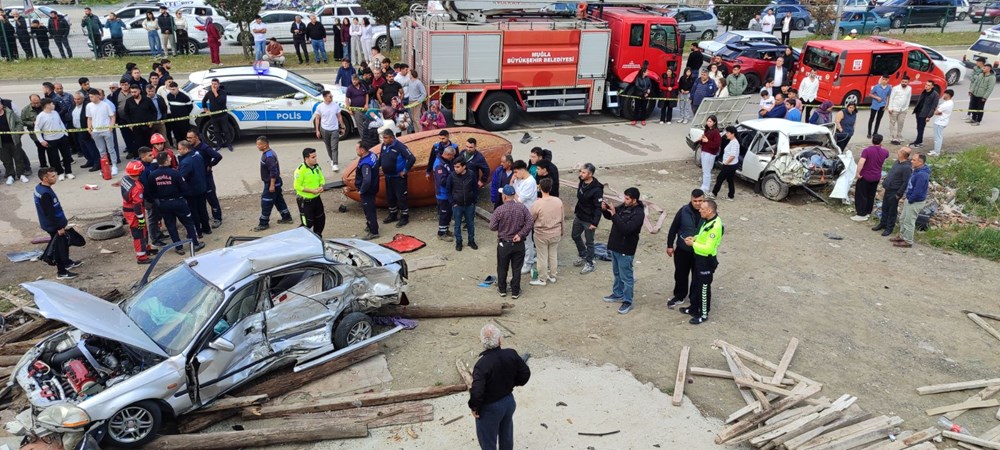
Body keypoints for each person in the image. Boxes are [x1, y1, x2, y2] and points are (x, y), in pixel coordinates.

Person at [469, 323, 531, 450]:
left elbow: (477, 391)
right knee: (506, 433)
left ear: (481, 341)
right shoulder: (511, 354)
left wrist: (474, 407)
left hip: (490, 408)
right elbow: (525, 373)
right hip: (508, 402)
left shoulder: (482, 365)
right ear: (499, 340)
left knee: (488, 441)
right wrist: (513, 383)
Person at [147, 151, 204, 254]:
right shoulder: (175, 173)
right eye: (169, 158)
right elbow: (184, 188)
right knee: (189, 223)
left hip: (163, 204)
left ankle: (178, 247)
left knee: (171, 226)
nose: (170, 160)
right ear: (165, 161)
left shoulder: (152, 175)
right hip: (178, 202)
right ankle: (195, 244)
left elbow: (151, 192)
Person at [600, 187, 645, 314]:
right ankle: (617, 293)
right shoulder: (625, 206)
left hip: (626, 248)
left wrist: (614, 214)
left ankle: (628, 301)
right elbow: (611, 216)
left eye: (627, 198)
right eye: (624, 198)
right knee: (617, 273)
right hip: (615, 246)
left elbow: (626, 229)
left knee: (626, 277)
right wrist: (605, 210)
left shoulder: (639, 214)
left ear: (634, 200)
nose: (624, 200)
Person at [34, 168, 81, 279]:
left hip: (52, 224)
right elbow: (49, 213)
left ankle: (67, 262)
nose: (55, 178)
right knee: (59, 247)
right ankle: (62, 272)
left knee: (63, 243)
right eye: (52, 176)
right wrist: (59, 227)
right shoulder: (45, 193)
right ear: (45, 178)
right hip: (54, 226)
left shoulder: (40, 188)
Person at [682, 199, 723, 324]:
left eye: (702, 209)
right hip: (699, 258)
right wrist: (695, 238)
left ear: (709, 211)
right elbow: (702, 235)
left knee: (704, 288)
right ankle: (694, 307)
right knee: (696, 284)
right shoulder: (708, 220)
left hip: (706, 260)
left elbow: (709, 248)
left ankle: (703, 314)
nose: (699, 210)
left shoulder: (715, 226)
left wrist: (693, 244)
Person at [490, 185, 533, 299]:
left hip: (504, 243)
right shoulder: (522, 208)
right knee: (517, 268)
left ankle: (502, 289)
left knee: (502, 267)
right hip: (518, 243)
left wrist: (501, 226)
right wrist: (520, 234)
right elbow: (530, 222)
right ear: (514, 195)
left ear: (504, 196)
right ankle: (515, 291)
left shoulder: (499, 210)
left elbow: (492, 227)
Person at [665, 190, 705, 310]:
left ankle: (694, 299)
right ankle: (679, 296)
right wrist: (670, 245)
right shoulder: (683, 211)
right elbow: (674, 228)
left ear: (704, 200)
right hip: (683, 250)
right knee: (680, 274)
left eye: (700, 201)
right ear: (691, 199)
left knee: (697, 277)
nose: (698, 203)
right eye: (695, 201)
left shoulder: (708, 212)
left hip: (700, 251)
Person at [525, 178, 563, 287]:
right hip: (556, 232)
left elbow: (531, 218)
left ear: (540, 188)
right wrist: (561, 231)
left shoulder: (537, 203)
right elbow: (562, 218)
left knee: (542, 256)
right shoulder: (558, 201)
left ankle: (542, 278)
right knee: (553, 254)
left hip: (541, 233)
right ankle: (553, 275)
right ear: (550, 188)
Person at [120, 160, 158, 264]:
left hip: (129, 210)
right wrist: (140, 218)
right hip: (135, 214)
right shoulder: (137, 187)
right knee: (139, 234)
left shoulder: (125, 179)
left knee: (143, 230)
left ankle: (145, 248)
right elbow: (137, 204)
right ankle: (141, 257)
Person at [254, 136, 294, 231]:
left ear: (265, 145)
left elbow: (273, 171)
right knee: (278, 200)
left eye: (259, 144)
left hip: (272, 183)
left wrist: (272, 185)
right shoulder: (269, 153)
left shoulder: (269, 156)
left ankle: (263, 223)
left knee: (266, 202)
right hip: (276, 182)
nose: (257, 146)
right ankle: (286, 217)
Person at [892, 153, 929, 248]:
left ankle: (908, 241)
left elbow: (918, 191)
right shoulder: (916, 171)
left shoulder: (922, 175)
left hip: (915, 201)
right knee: (903, 218)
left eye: (914, 160)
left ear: (920, 162)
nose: (911, 161)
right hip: (910, 199)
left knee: (909, 221)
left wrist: (911, 199)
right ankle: (902, 236)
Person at [873, 147, 912, 237]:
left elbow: (906, 182)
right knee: (885, 207)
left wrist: (899, 193)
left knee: (892, 210)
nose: (897, 151)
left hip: (895, 191)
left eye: (899, 150)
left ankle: (889, 227)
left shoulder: (906, 167)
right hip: (888, 189)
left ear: (903, 153)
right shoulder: (897, 162)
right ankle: (883, 223)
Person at [380, 129, 416, 227]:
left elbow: (412, 158)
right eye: (383, 138)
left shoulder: (400, 147)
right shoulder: (384, 146)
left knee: (401, 197)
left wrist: (405, 170)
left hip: (398, 178)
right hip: (388, 177)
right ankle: (393, 214)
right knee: (390, 197)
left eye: (386, 138)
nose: (384, 140)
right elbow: (381, 158)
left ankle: (404, 217)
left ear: (392, 137)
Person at [572, 163, 603, 275]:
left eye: (583, 172)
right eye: (581, 172)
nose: (581, 174)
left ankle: (590, 263)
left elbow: (598, 208)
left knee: (589, 241)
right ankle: (583, 254)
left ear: (590, 174)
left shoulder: (597, 189)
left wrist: (594, 223)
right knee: (575, 235)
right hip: (579, 215)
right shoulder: (582, 181)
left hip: (589, 219)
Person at [176, 140, 211, 238]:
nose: (178, 151)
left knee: (193, 211)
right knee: (202, 209)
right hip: (202, 187)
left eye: (180, 149)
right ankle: (207, 228)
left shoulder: (186, 162)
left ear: (186, 149)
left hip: (191, 191)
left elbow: (181, 178)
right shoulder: (197, 155)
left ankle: (198, 232)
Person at [851, 134, 889, 222]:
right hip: (876, 176)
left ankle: (861, 214)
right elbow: (885, 156)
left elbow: (861, 162)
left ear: (872, 140)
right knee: (871, 195)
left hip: (866, 176)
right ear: (881, 141)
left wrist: (858, 173)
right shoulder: (885, 152)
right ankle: (868, 211)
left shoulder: (867, 151)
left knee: (861, 194)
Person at [290, 147, 326, 236]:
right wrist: (311, 191)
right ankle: (296, 238)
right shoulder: (300, 170)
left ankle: (317, 237)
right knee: (308, 223)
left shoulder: (317, 167)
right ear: (306, 158)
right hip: (305, 201)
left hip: (316, 199)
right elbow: (297, 186)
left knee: (320, 219)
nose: (315, 159)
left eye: (316, 156)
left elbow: (322, 179)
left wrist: (321, 186)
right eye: (313, 157)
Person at [510, 160, 538, 276]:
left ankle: (529, 262)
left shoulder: (530, 182)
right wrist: (512, 183)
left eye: (516, 172)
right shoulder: (518, 179)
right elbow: (514, 191)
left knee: (527, 240)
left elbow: (520, 199)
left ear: (522, 170)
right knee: (523, 239)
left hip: (527, 214)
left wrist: (512, 193)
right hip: (519, 213)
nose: (515, 175)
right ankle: (526, 257)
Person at [36, 99, 73, 180]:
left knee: (67, 155)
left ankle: (68, 172)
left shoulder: (55, 113)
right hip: (50, 140)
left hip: (61, 137)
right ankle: (60, 172)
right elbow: (37, 129)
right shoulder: (41, 116)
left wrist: (65, 133)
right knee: (54, 158)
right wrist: (41, 140)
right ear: (47, 105)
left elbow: (60, 123)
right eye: (52, 104)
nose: (54, 105)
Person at [448, 158, 479, 251]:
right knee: (457, 225)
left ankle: (471, 241)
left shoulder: (471, 174)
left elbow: (475, 188)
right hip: (457, 205)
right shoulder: (452, 176)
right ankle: (459, 242)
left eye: (458, 167)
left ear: (464, 166)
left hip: (469, 205)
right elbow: (448, 191)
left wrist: (474, 201)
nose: (455, 169)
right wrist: (453, 203)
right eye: (454, 166)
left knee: (470, 224)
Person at [353, 142, 380, 240]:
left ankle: (373, 231)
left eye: (357, 149)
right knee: (370, 208)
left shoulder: (365, 164)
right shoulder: (372, 154)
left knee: (369, 210)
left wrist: (362, 190)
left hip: (368, 190)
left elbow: (367, 179)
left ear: (362, 150)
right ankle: (370, 225)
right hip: (374, 186)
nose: (356, 151)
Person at [313, 90, 344, 172]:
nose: (331, 98)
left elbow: (339, 116)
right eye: (330, 96)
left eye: (332, 96)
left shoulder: (336, 106)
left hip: (334, 129)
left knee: (334, 147)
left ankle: (335, 164)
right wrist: (317, 130)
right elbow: (317, 118)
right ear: (325, 97)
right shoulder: (320, 107)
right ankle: (332, 159)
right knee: (328, 146)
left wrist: (342, 126)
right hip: (324, 129)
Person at [124, 83, 157, 159]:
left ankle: (150, 156)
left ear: (139, 91)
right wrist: (130, 124)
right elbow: (126, 113)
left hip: (147, 126)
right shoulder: (129, 101)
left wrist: (152, 121)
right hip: (136, 127)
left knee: (148, 142)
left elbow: (154, 111)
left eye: (135, 92)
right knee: (137, 143)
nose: (133, 94)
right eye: (132, 92)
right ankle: (138, 157)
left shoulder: (147, 100)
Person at [0, 103, 30, 184]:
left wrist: (17, 131)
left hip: (14, 140)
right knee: (6, 160)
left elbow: (19, 122)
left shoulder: (10, 112)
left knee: (18, 158)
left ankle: (21, 174)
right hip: (2, 143)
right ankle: (10, 175)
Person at [202, 78, 233, 152]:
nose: (214, 85)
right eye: (212, 84)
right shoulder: (209, 93)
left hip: (223, 115)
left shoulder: (223, 92)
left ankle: (229, 144)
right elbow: (204, 101)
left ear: (218, 84)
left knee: (226, 130)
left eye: (215, 84)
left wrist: (215, 92)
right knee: (216, 131)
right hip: (214, 116)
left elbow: (221, 101)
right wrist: (206, 111)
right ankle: (219, 145)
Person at [433, 147, 457, 241]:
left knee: (449, 213)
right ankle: (441, 233)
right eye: (452, 156)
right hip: (442, 194)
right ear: (447, 154)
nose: (453, 158)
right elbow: (442, 181)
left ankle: (446, 229)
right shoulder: (439, 165)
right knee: (444, 213)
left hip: (448, 193)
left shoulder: (446, 162)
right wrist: (454, 180)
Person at [712, 126, 740, 201]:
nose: (726, 134)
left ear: (732, 134)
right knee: (730, 179)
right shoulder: (733, 141)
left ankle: (714, 193)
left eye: (727, 132)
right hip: (732, 165)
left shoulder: (734, 143)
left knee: (720, 178)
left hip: (729, 165)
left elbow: (732, 156)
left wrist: (726, 163)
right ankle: (731, 195)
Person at [910, 81, 938, 149]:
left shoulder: (934, 94)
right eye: (926, 84)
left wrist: (929, 116)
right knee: (918, 127)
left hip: (925, 114)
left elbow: (933, 107)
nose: (926, 86)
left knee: (921, 128)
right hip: (918, 112)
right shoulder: (924, 91)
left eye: (928, 85)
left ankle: (919, 142)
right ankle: (918, 140)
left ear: (932, 86)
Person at [698, 115, 721, 193]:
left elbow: (716, 145)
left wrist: (707, 141)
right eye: (707, 121)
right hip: (704, 151)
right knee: (704, 170)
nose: (708, 123)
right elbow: (703, 142)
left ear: (714, 122)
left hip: (710, 153)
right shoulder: (707, 130)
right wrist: (701, 140)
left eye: (710, 121)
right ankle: (704, 185)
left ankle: (706, 187)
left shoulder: (716, 132)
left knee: (707, 170)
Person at [886, 76, 912, 145]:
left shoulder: (909, 88)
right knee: (892, 122)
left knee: (901, 123)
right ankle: (892, 135)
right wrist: (890, 107)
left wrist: (906, 107)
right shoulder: (895, 88)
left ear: (908, 82)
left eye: (905, 82)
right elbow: (891, 98)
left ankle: (899, 135)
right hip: (894, 108)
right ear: (901, 81)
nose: (904, 83)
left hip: (903, 109)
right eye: (903, 81)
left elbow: (908, 98)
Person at [968, 62, 994, 127]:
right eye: (983, 67)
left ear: (989, 69)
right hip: (975, 94)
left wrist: (985, 97)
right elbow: (975, 83)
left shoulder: (992, 77)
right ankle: (973, 119)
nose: (983, 69)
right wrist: (971, 91)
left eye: (984, 68)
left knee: (980, 108)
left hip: (982, 96)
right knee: (973, 107)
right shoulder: (980, 75)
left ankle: (978, 121)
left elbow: (990, 89)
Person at [930, 89, 954, 157]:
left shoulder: (946, 104)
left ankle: (937, 152)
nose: (943, 95)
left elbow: (936, 112)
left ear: (948, 95)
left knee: (938, 137)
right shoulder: (949, 102)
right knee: (937, 137)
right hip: (942, 121)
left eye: (944, 94)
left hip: (940, 122)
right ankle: (935, 150)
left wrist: (937, 111)